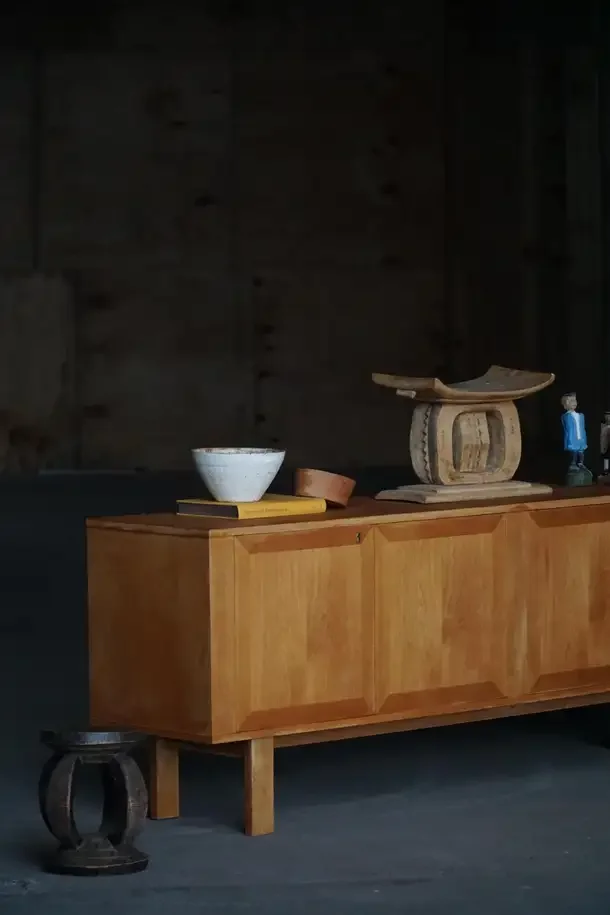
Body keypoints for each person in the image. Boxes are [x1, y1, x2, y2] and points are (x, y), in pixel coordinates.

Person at [561, 392, 587, 467]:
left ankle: (581, 463)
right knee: (574, 452)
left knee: (581, 451)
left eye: (574, 401)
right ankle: (573, 464)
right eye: (571, 401)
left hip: (581, 438)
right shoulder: (566, 416)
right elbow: (568, 428)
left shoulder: (580, 415)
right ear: (566, 404)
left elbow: (582, 427)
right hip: (572, 439)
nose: (574, 403)